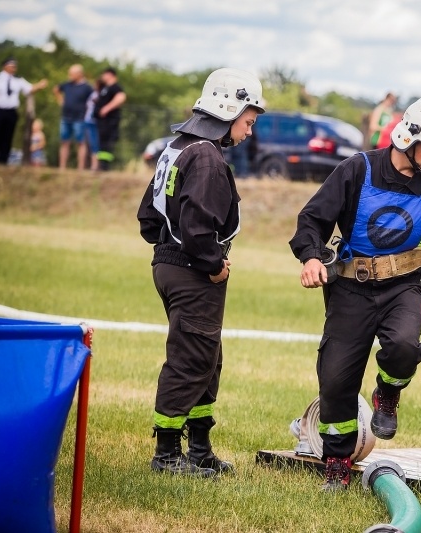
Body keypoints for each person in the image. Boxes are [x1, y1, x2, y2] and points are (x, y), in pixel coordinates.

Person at [289, 96, 421, 491]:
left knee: (403, 346)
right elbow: (312, 219)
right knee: (335, 379)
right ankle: (336, 459)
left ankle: (388, 392)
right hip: (351, 288)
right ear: (408, 140)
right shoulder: (356, 169)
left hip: (404, 287)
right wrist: (311, 257)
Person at [136, 68, 265, 476]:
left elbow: (147, 219)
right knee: (191, 360)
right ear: (228, 111)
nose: (249, 132)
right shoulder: (207, 156)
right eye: (248, 122)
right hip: (194, 271)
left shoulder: (176, 148)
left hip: (169, 264)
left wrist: (173, 254)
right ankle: (168, 455)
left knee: (208, 357)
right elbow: (196, 227)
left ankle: (201, 448)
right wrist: (211, 264)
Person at [0, 57, 47, 164]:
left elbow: (29, 89)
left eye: (15, 66)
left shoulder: (18, 80)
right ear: (5, 66)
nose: (14, 68)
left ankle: (3, 160)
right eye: (12, 66)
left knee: (8, 136)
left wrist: (40, 85)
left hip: (11, 111)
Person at [53, 64, 94, 170]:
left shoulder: (87, 88)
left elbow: (94, 99)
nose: (69, 76)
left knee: (80, 143)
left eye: (72, 74)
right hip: (65, 117)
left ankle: (80, 168)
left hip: (80, 118)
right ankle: (62, 167)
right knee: (64, 142)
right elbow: (56, 89)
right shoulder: (67, 85)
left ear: (80, 74)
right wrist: (60, 100)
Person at [94, 67, 126, 170]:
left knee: (107, 143)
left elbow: (121, 97)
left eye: (104, 74)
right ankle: (102, 165)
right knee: (102, 143)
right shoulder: (105, 88)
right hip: (102, 122)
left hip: (109, 121)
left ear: (110, 75)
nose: (102, 76)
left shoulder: (115, 87)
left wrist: (107, 108)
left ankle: (105, 166)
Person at [83, 79, 103, 171]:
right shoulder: (92, 94)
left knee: (95, 144)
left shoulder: (101, 95)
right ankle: (88, 165)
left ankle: (95, 166)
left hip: (94, 122)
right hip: (87, 120)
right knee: (88, 144)